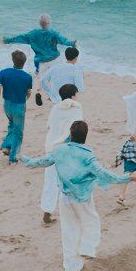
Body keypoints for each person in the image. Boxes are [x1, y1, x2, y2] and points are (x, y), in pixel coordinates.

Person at [21, 120, 136, 271]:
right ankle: (86, 249)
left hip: (65, 198)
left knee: (69, 232)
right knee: (91, 222)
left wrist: (27, 161)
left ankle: (71, 268)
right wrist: (126, 179)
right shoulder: (87, 156)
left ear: (70, 134)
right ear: (85, 136)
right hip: (82, 197)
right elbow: (104, 174)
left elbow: (42, 161)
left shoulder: (60, 150)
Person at [3, 14, 75, 105]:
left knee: (41, 79)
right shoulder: (53, 33)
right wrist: (71, 43)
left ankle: (39, 92)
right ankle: (54, 97)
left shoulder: (33, 34)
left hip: (41, 61)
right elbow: (63, 40)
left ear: (40, 23)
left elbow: (20, 37)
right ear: (49, 23)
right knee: (56, 78)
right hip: (55, 59)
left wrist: (7, 40)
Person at [39, 82, 84, 223]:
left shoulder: (55, 109)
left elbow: (49, 126)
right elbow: (77, 129)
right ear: (73, 95)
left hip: (52, 147)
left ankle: (47, 210)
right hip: (66, 149)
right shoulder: (76, 109)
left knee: (50, 180)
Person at [0, 50, 33, 164]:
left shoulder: (4, 72)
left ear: (13, 60)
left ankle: (6, 146)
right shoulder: (27, 77)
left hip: (7, 104)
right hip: (19, 105)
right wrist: (25, 100)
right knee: (19, 132)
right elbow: (29, 92)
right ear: (24, 62)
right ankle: (13, 157)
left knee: (11, 125)